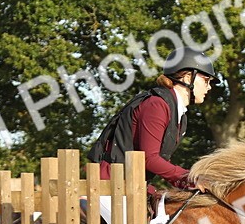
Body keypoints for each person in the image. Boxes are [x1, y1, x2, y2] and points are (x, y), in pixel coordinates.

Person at [88, 47, 218, 202]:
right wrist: (188, 178)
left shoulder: (179, 113)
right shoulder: (156, 105)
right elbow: (149, 158)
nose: (209, 87)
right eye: (206, 80)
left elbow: (160, 160)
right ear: (188, 77)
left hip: (133, 185)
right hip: (110, 184)